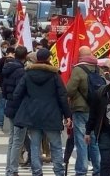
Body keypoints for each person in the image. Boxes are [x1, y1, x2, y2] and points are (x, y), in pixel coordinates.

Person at [7, 48, 72, 176]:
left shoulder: (28, 74)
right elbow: (62, 96)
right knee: (56, 145)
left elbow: (17, 94)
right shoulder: (54, 75)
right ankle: (58, 171)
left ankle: (37, 171)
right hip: (52, 115)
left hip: (33, 114)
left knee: (35, 145)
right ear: (49, 59)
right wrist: (67, 115)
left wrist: (25, 104)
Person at [66, 46, 101, 176]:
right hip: (95, 109)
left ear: (80, 56)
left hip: (81, 109)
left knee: (81, 141)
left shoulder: (78, 69)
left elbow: (69, 90)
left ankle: (81, 170)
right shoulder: (98, 69)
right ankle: (98, 169)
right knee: (94, 140)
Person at [3, 46, 31, 176]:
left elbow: (5, 89)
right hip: (19, 107)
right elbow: (21, 91)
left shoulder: (8, 68)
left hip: (10, 104)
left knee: (12, 139)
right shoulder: (21, 71)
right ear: (25, 56)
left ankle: (9, 168)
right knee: (18, 141)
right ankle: (13, 169)